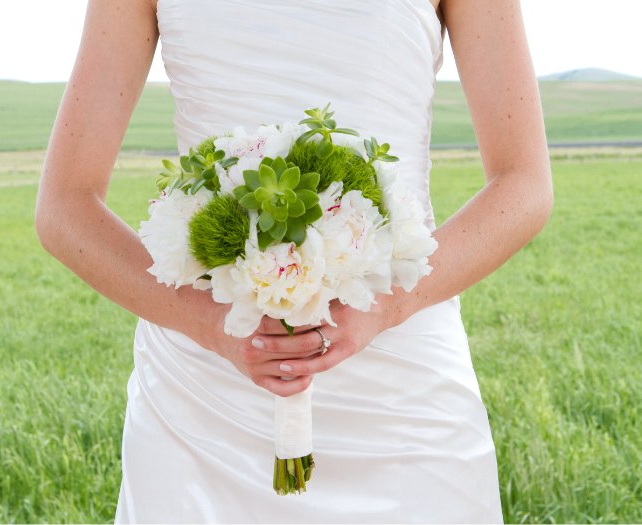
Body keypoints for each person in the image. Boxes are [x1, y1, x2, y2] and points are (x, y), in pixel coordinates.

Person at [35, 0, 552, 522]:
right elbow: (66, 205)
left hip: (402, 394)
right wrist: (214, 326)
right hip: (203, 402)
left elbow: (523, 182)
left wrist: (388, 307)